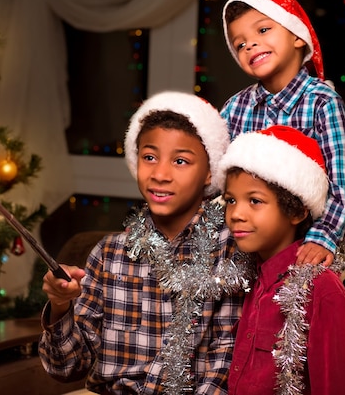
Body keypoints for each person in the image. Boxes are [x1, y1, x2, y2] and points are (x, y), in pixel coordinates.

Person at [38, 91, 252, 395]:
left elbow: (226, 363)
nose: (160, 174)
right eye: (149, 157)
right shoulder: (109, 254)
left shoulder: (230, 250)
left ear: (209, 173)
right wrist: (60, 307)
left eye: (180, 161)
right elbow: (67, 368)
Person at [219, 125, 345, 395]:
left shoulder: (320, 289)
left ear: (296, 212)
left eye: (254, 201)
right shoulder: (249, 279)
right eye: (231, 200)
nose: (236, 214)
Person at [220, 0, 345, 283]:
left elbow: (342, 188)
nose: (251, 45)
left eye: (263, 30)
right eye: (240, 44)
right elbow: (214, 180)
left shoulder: (323, 102)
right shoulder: (235, 108)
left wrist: (323, 238)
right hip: (248, 259)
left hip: (305, 258)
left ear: (297, 36)